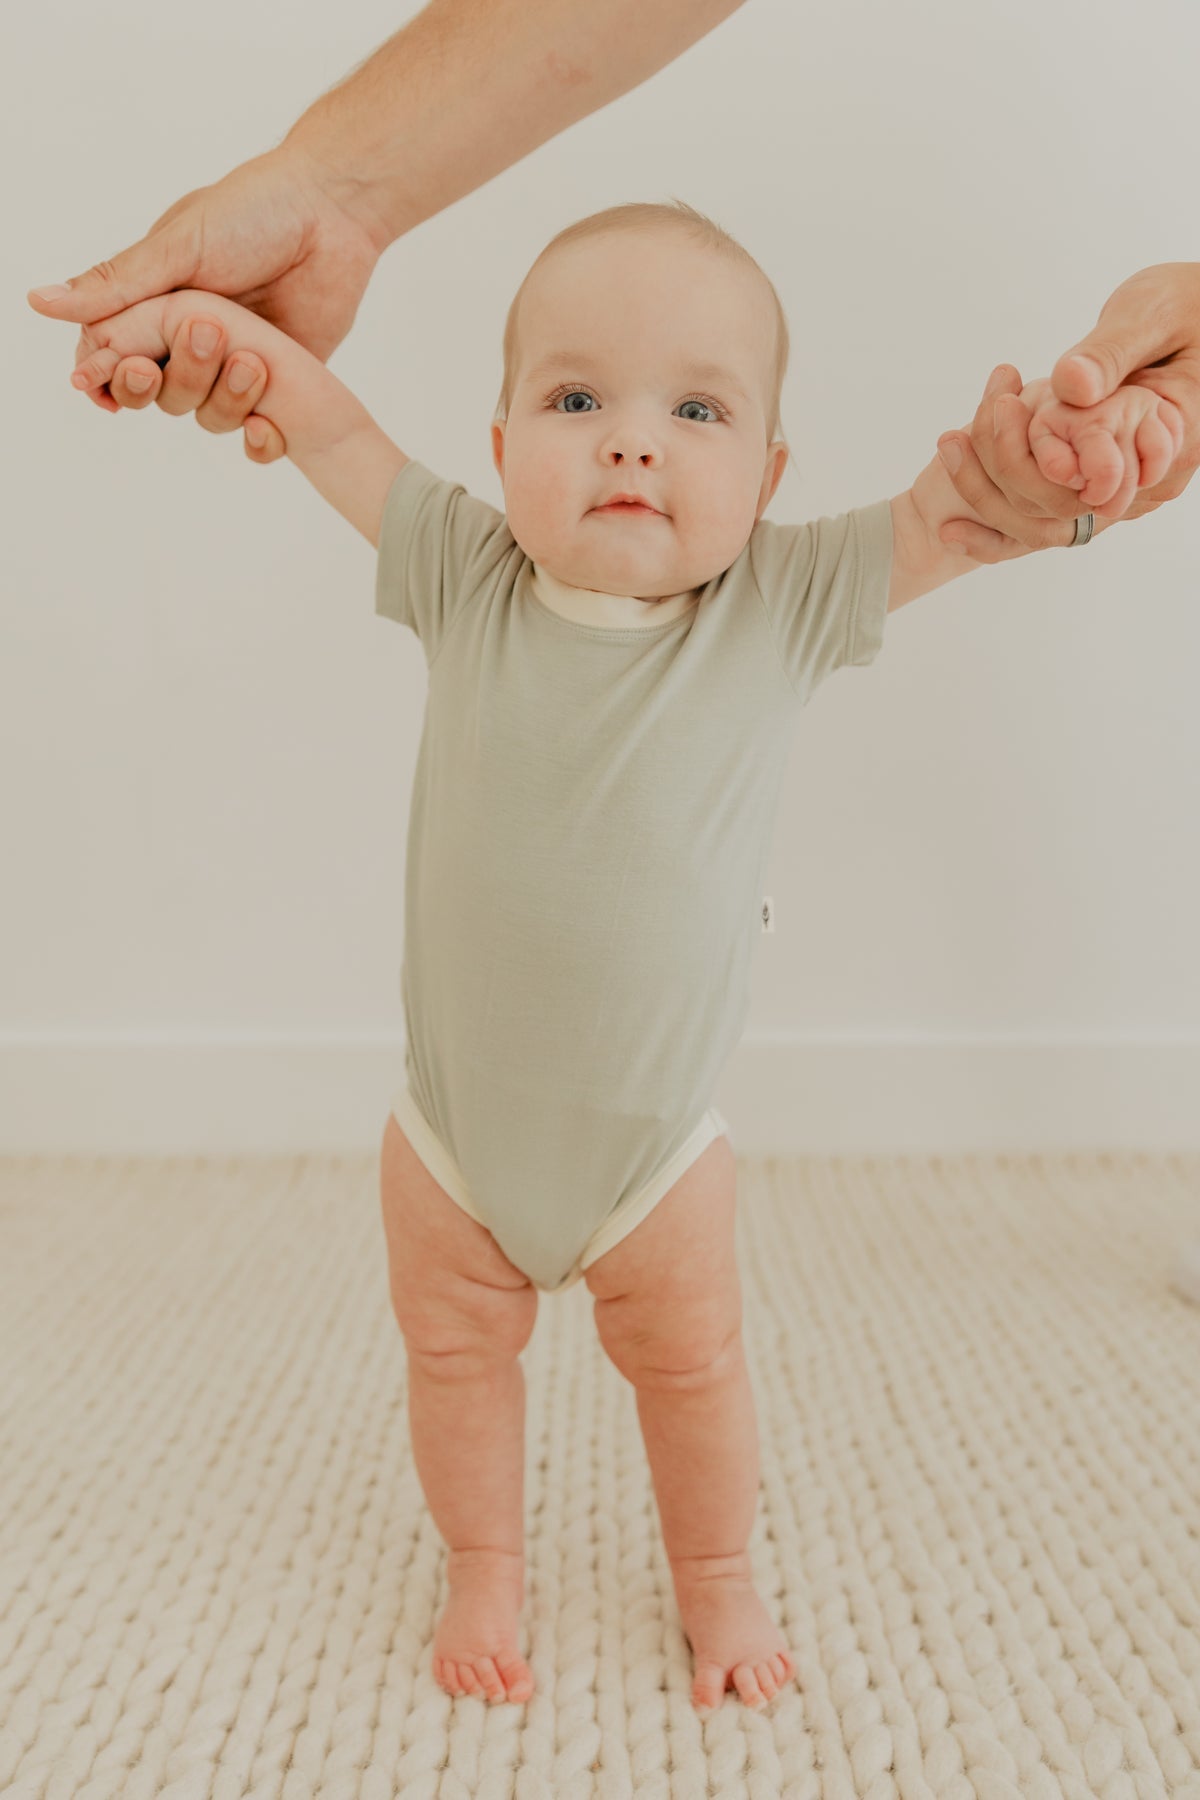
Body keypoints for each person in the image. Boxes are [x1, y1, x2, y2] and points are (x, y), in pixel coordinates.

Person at [58, 197, 1189, 1714]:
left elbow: (944, 519)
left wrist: (1059, 465)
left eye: (696, 409)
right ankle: (484, 1562)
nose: (630, 443)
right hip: (455, 1145)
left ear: (771, 474)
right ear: (505, 435)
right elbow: (323, 427)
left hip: (655, 1159)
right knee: (454, 1359)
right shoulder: (465, 571)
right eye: (575, 400)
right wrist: (219, 339)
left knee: (696, 1373)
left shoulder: (775, 603)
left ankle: (716, 1579)